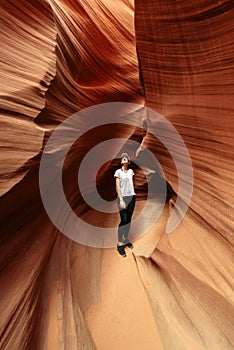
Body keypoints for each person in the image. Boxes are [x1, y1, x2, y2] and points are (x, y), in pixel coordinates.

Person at [114, 152, 136, 257]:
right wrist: (121, 200)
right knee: (123, 220)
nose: (124, 158)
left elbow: (131, 185)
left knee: (129, 219)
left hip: (132, 197)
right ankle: (119, 244)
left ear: (129, 162)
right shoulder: (118, 172)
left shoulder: (131, 171)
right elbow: (118, 186)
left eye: (126, 158)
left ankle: (125, 238)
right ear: (121, 161)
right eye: (122, 158)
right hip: (122, 198)